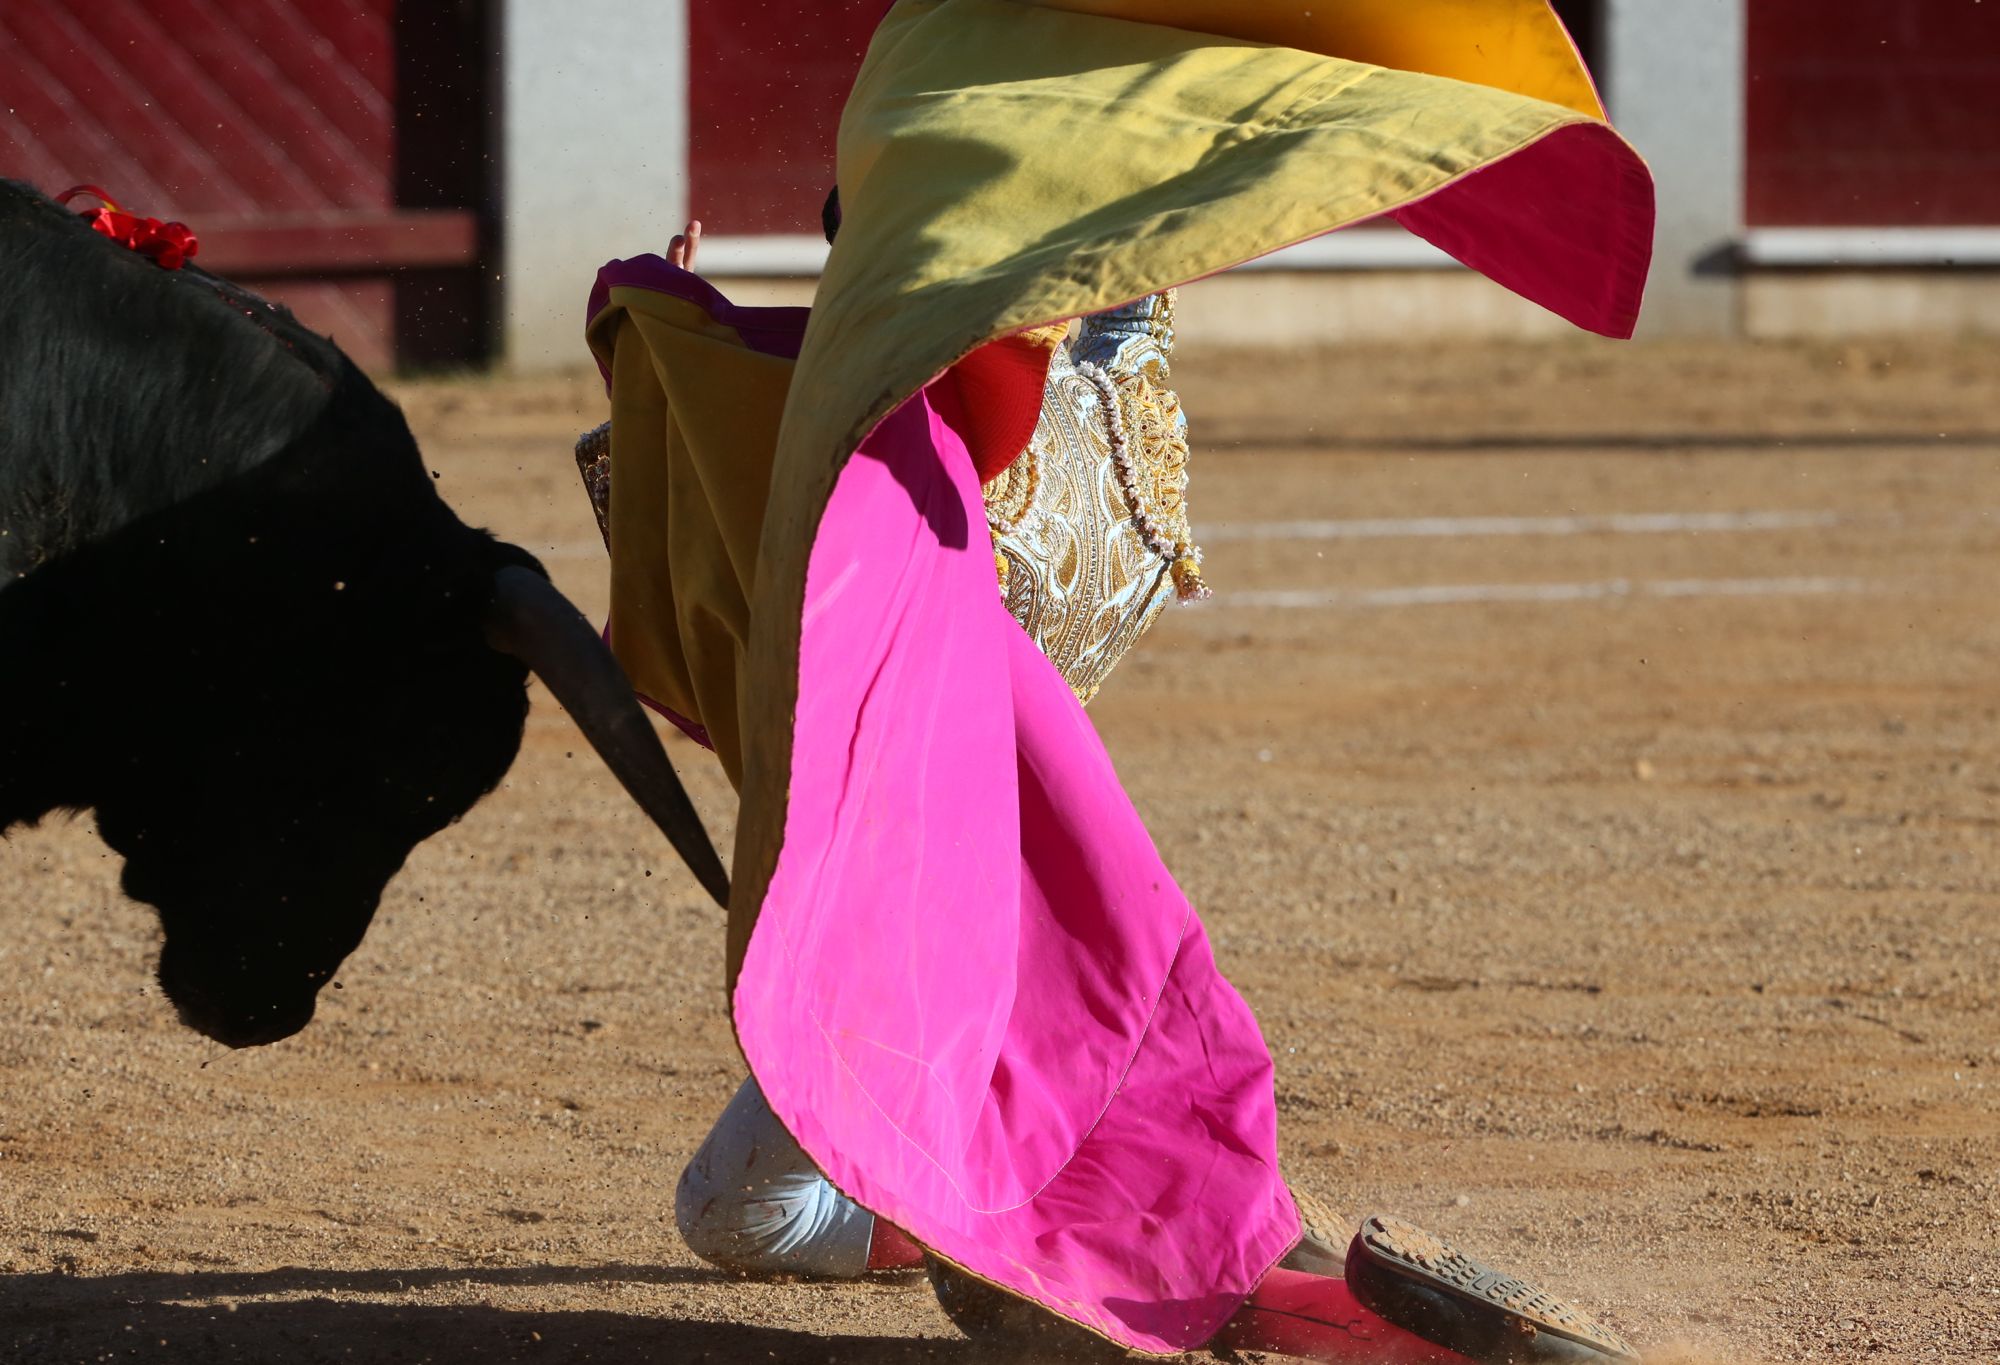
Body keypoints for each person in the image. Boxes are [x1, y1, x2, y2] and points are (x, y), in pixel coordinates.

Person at [579, 3, 1656, 1359]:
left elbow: (902, 453)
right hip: (1068, 556)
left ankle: (977, 1202)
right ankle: (952, 1198)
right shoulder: (1009, 182)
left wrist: (705, 378)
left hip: (989, 590)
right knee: (860, 1064)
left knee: (758, 1184)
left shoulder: (922, 215)